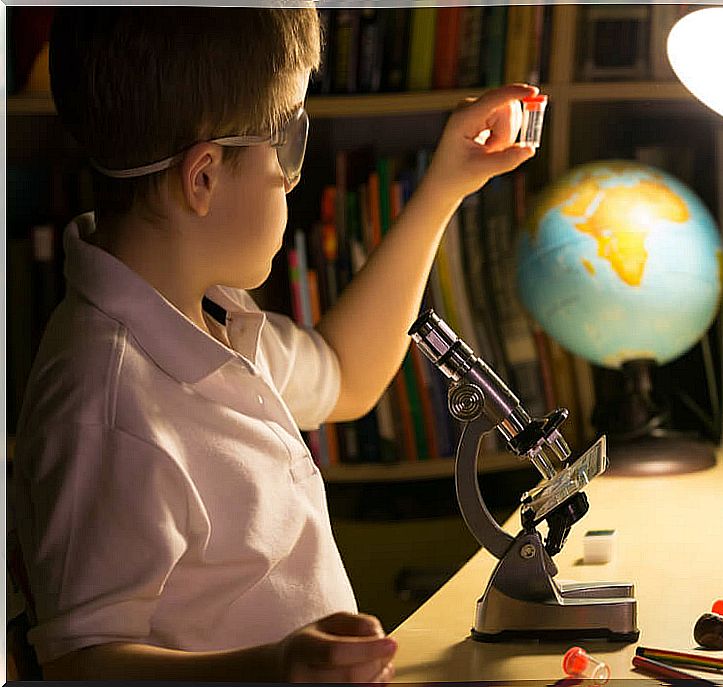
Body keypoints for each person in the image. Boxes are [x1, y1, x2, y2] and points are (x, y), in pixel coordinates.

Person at [10, 6, 538, 682]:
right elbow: (82, 665)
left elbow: (346, 375)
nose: (292, 175)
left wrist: (445, 185)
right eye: (285, 140)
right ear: (202, 179)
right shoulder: (107, 404)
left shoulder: (205, 316)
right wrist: (276, 668)